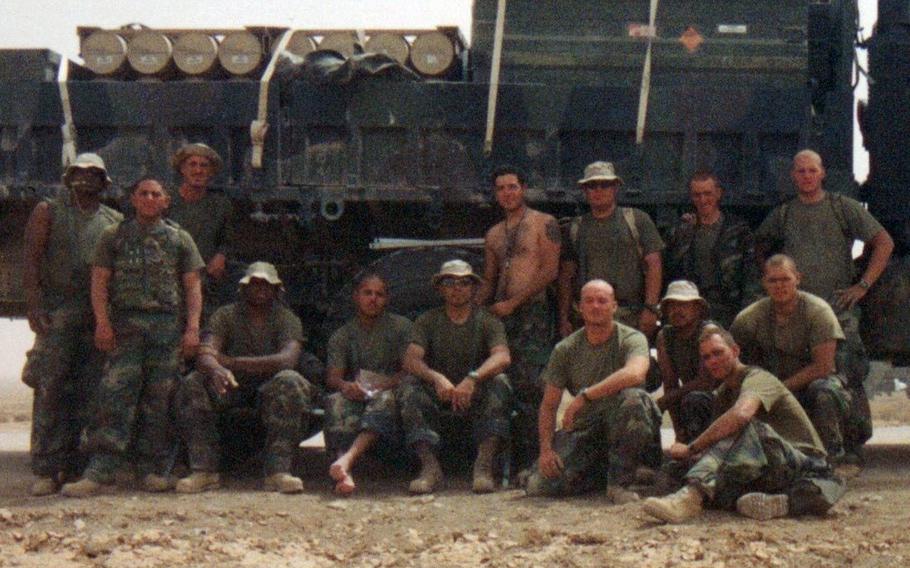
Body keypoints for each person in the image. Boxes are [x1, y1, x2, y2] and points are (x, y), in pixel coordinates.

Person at [61, 178, 203, 497]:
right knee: (115, 395)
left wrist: (192, 328)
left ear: (166, 201)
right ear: (133, 200)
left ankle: (150, 470)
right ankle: (100, 470)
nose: (150, 198)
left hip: (166, 329)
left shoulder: (180, 239)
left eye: (156, 194)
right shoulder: (114, 236)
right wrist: (102, 322)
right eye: (144, 194)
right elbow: (99, 282)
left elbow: (192, 285)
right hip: (125, 326)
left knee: (159, 401)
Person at [755, 149, 894, 461]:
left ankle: (854, 444)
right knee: (813, 379)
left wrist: (862, 285)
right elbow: (760, 245)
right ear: (793, 175)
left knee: (848, 373)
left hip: (837, 308)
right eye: (801, 171)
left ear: (822, 173)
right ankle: (819, 445)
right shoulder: (784, 214)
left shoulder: (841, 207)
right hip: (798, 310)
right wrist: (774, 280)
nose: (806, 176)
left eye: (812, 171)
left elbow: (884, 242)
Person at [643, 325, 844, 523]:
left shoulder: (758, 378)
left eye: (718, 353)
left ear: (735, 350)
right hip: (768, 465)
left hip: (805, 465)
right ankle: (778, 502)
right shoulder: (724, 393)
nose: (712, 361)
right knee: (681, 468)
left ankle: (691, 498)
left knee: (742, 426)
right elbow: (719, 450)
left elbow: (741, 415)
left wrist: (691, 447)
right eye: (706, 357)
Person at [21, 153, 123, 496]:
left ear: (103, 182)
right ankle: (46, 468)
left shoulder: (113, 220)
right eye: (79, 173)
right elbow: (32, 261)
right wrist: (33, 304)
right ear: (68, 178)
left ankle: (78, 465)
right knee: (51, 385)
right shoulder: (48, 211)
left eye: (93, 174)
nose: (85, 179)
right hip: (58, 310)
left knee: (91, 389)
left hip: (95, 313)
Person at [173, 261, 315, 494]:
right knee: (194, 382)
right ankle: (204, 470)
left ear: (276, 290)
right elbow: (206, 353)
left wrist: (230, 362)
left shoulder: (286, 318)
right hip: (230, 384)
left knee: (291, 381)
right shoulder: (225, 315)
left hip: (271, 386)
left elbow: (287, 359)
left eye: (266, 285)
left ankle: (278, 471)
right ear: (243, 288)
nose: (260, 290)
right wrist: (217, 369)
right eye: (254, 284)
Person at [525, 280, 663, 502]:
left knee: (634, 399)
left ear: (614, 307)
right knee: (538, 486)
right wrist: (546, 450)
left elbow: (635, 373)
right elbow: (549, 405)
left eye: (602, 301)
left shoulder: (632, 338)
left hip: (625, 425)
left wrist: (585, 395)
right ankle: (600, 472)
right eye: (589, 301)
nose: (596, 306)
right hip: (587, 431)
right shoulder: (565, 349)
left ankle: (620, 483)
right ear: (579, 307)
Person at [399, 260, 512, 494]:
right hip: (440, 390)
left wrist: (473, 379)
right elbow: (411, 359)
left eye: (464, 282)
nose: (457, 288)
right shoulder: (427, 320)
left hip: (475, 390)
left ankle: (483, 466)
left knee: (500, 383)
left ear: (473, 288)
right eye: (449, 282)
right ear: (440, 288)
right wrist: (436, 378)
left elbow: (502, 357)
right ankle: (429, 467)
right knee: (409, 388)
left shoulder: (487, 321)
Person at [730, 255, 856, 466]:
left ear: (798, 278)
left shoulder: (818, 311)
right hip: (770, 386)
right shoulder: (748, 319)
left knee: (825, 391)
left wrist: (778, 389)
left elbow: (823, 367)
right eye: (773, 280)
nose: (779, 285)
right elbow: (733, 361)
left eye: (785, 279)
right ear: (764, 283)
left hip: (809, 384)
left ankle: (832, 458)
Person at [477, 164, 561, 467]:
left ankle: (534, 459)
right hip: (502, 315)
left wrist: (515, 302)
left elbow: (550, 270)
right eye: (500, 188)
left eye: (512, 186)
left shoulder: (544, 223)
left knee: (532, 387)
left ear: (523, 188)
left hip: (532, 314)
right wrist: (473, 309)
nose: (507, 193)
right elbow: (489, 278)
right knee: (502, 385)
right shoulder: (494, 234)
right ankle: (502, 459)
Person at [324, 273, 412, 496]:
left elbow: (411, 369)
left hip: (391, 391)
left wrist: (386, 384)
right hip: (358, 393)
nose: (373, 299)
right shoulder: (342, 335)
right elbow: (333, 377)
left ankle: (348, 460)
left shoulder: (402, 328)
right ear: (356, 297)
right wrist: (347, 387)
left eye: (379, 294)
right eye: (367, 293)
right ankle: (344, 471)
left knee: (384, 400)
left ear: (387, 299)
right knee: (335, 402)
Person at [558, 161, 664, 340]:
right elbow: (566, 275)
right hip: (585, 318)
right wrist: (563, 318)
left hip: (628, 316)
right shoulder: (575, 227)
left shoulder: (637, 220)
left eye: (605, 185)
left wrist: (651, 309)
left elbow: (654, 265)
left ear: (615, 188)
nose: (598, 190)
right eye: (592, 185)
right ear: (585, 190)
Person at [664, 171, 759, 326]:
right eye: (697, 195)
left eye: (708, 194)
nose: (703, 200)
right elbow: (669, 270)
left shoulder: (738, 231)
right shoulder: (680, 231)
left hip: (729, 308)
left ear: (718, 194)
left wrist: (748, 313)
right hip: (692, 308)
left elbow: (751, 274)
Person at [168, 143, 235, 318]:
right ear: (182, 169)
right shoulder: (166, 201)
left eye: (204, 166)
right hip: (168, 281)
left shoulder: (220, 205)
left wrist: (221, 255)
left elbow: (228, 240)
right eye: (192, 164)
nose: (198, 171)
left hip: (204, 282)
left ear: (211, 172)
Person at [655, 281, 717, 443]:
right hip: (688, 397)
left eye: (684, 305)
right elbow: (670, 383)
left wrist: (666, 400)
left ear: (697, 308)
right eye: (672, 306)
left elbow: (705, 382)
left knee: (694, 400)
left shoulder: (708, 332)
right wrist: (678, 432)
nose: (677, 311)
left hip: (719, 400)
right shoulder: (665, 336)